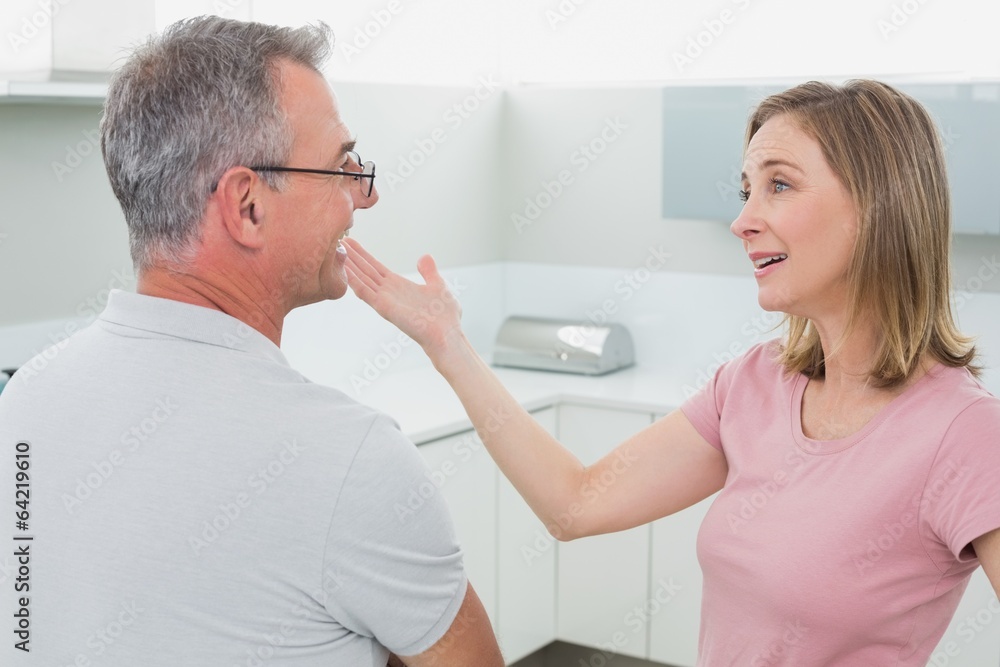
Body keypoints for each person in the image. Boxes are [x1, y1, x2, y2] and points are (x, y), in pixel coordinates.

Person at [344, 79, 1000, 665]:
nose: (742, 220)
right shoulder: (751, 384)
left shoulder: (965, 432)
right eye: (746, 190)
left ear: (879, 203)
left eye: (779, 184)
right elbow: (575, 503)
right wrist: (447, 343)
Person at [0, 16, 502, 667]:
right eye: (340, 167)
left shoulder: (26, 400)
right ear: (247, 207)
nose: (365, 195)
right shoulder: (350, 459)